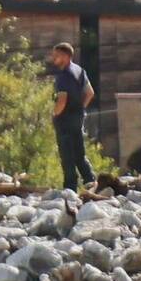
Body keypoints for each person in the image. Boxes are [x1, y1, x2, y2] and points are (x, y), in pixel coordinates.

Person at [49, 42, 98, 190]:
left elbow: (62, 100)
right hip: (78, 117)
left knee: (67, 155)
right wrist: (80, 107)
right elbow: (90, 93)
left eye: (56, 55)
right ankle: (91, 181)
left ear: (65, 56)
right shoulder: (80, 71)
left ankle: (70, 188)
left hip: (65, 119)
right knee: (79, 154)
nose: (54, 58)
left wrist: (54, 114)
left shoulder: (64, 76)